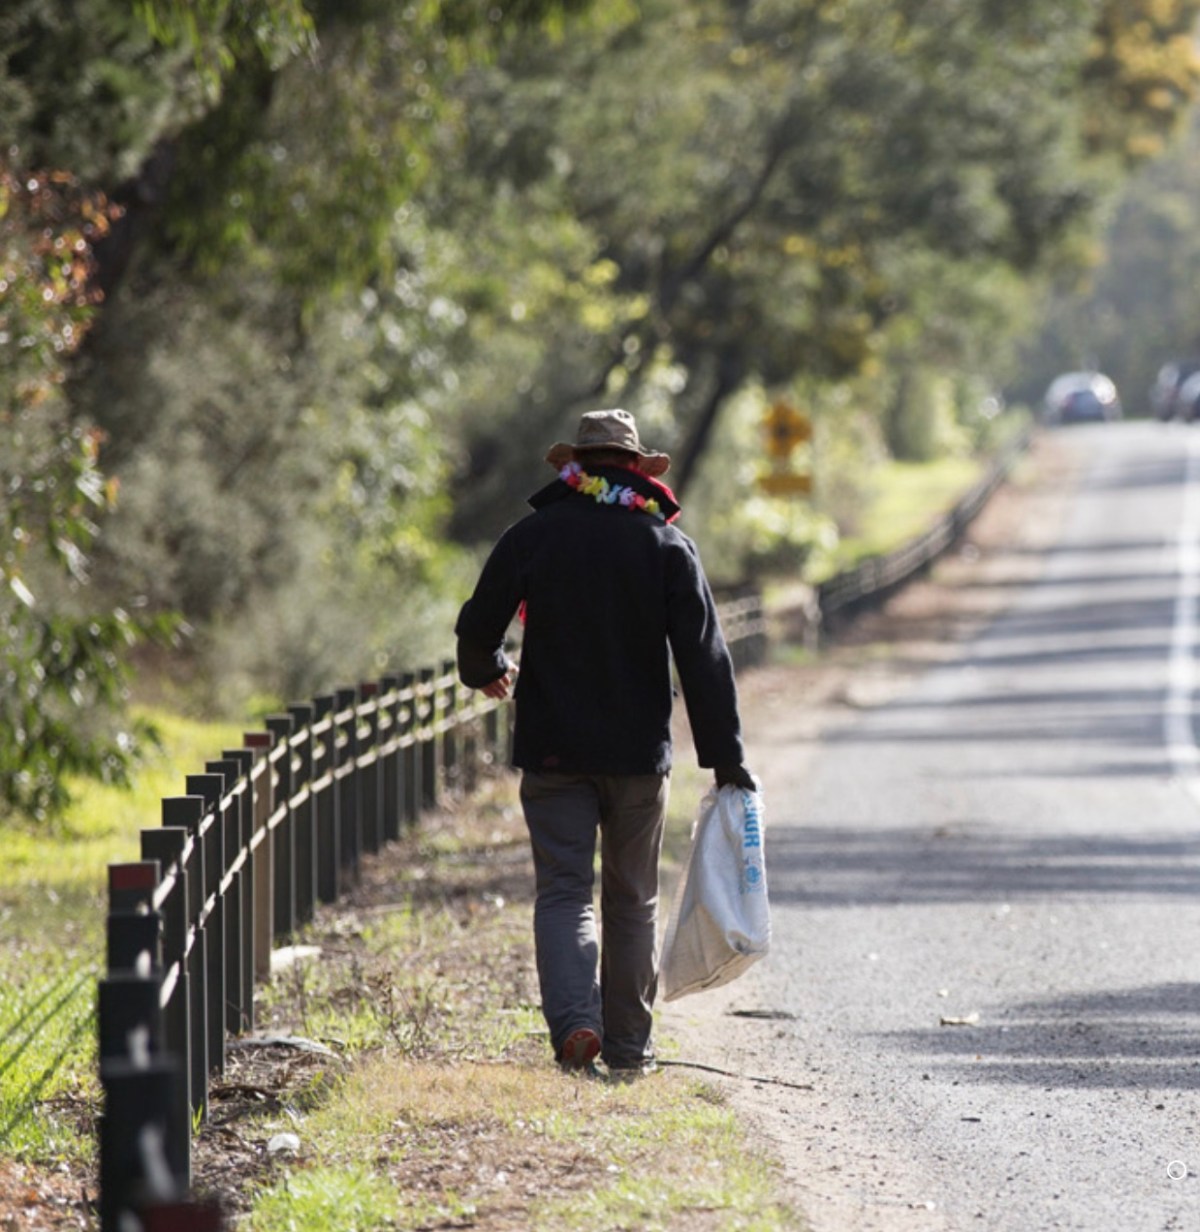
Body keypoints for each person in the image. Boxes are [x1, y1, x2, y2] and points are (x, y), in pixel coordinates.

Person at [455, 408, 756, 1078]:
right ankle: (628, 1046)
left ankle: (575, 1025)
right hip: (638, 756)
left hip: (553, 749)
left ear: (576, 467)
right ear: (636, 468)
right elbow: (704, 658)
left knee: (564, 891)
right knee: (632, 899)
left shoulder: (533, 536)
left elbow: (477, 627)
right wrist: (726, 757)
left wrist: (488, 669)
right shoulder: (666, 545)